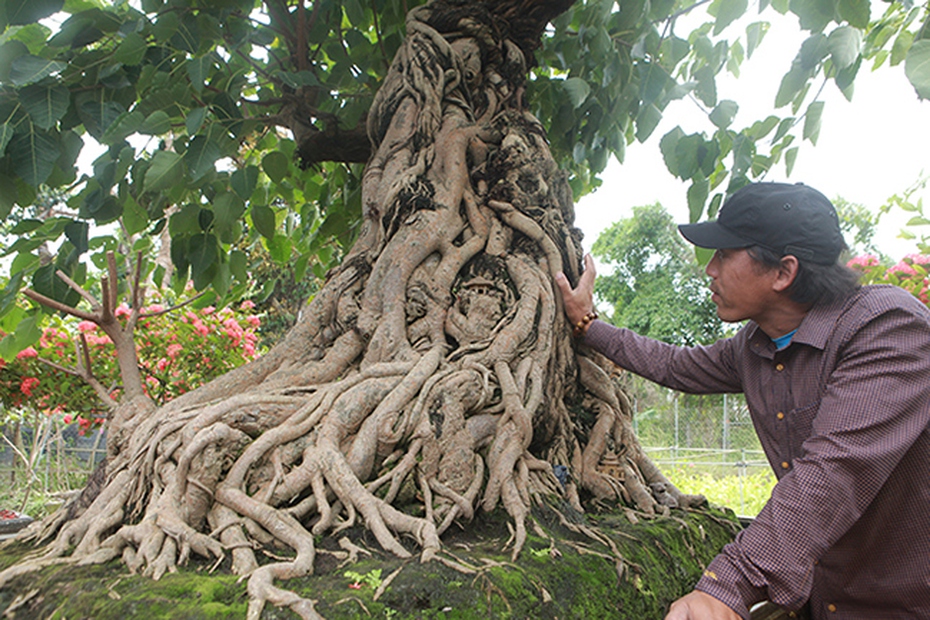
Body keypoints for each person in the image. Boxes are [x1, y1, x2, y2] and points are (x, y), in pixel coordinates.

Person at [555, 182, 930, 620]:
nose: (709, 269)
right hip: (824, 598)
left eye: (724, 254)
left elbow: (833, 471)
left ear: (783, 272)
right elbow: (675, 366)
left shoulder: (886, 328)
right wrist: (586, 321)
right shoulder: (755, 346)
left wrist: (727, 585)